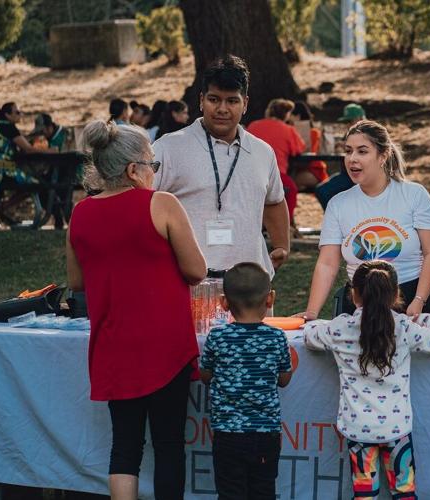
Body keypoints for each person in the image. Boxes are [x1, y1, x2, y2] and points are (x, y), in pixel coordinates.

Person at [66, 120, 207, 499]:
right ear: (133, 169)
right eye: (153, 165)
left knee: (124, 447)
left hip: (113, 343)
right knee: (169, 443)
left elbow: (76, 281)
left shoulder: (80, 212)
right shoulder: (161, 204)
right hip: (165, 345)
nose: (153, 173)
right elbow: (197, 271)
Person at [303, 260, 430, 499]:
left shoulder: (341, 328)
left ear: (354, 294)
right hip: (396, 428)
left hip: (357, 428)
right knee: (404, 491)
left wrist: (323, 321)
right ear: (395, 295)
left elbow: (310, 336)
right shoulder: (403, 327)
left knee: (365, 494)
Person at [153, 54, 290, 278]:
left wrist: (282, 245)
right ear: (200, 100)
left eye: (232, 101)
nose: (222, 109)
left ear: (245, 103)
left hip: (250, 284)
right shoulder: (168, 147)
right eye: (214, 99)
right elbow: (143, 204)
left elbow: (274, 200)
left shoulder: (262, 152)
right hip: (187, 281)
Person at [298, 120, 430, 320]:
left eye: (362, 151)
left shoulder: (414, 195)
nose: (352, 159)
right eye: (348, 151)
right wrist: (311, 313)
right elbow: (327, 263)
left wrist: (418, 301)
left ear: (383, 156)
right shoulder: (338, 204)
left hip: (409, 302)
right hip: (358, 305)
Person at [200, 262, 293, 499]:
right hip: (265, 435)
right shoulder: (277, 337)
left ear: (224, 302)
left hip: (227, 435)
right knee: (263, 491)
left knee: (230, 492)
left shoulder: (217, 336)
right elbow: (283, 380)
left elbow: (205, 375)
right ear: (270, 299)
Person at [246, 98, 306, 221]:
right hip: (277, 175)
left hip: (251, 175)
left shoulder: (253, 126)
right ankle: (287, 223)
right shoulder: (288, 130)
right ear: (286, 115)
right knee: (291, 189)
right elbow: (299, 149)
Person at [0, 102, 48, 213]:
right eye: (17, 112)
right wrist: (50, 151)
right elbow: (28, 149)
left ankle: (3, 207)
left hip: (0, 167)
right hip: (2, 168)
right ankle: (4, 207)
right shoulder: (8, 127)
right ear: (7, 115)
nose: (20, 114)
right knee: (35, 183)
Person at [314, 103, 366, 209]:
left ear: (361, 118)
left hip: (360, 176)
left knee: (323, 191)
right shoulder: (350, 133)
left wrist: (347, 147)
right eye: (346, 122)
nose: (348, 125)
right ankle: (336, 219)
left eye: (350, 121)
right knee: (321, 190)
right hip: (347, 174)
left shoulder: (367, 133)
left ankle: (336, 220)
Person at [289, 100, 329, 190]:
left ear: (297, 116)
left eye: (290, 116)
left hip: (313, 171)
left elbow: (310, 153)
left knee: (287, 183)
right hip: (299, 169)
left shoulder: (314, 133)